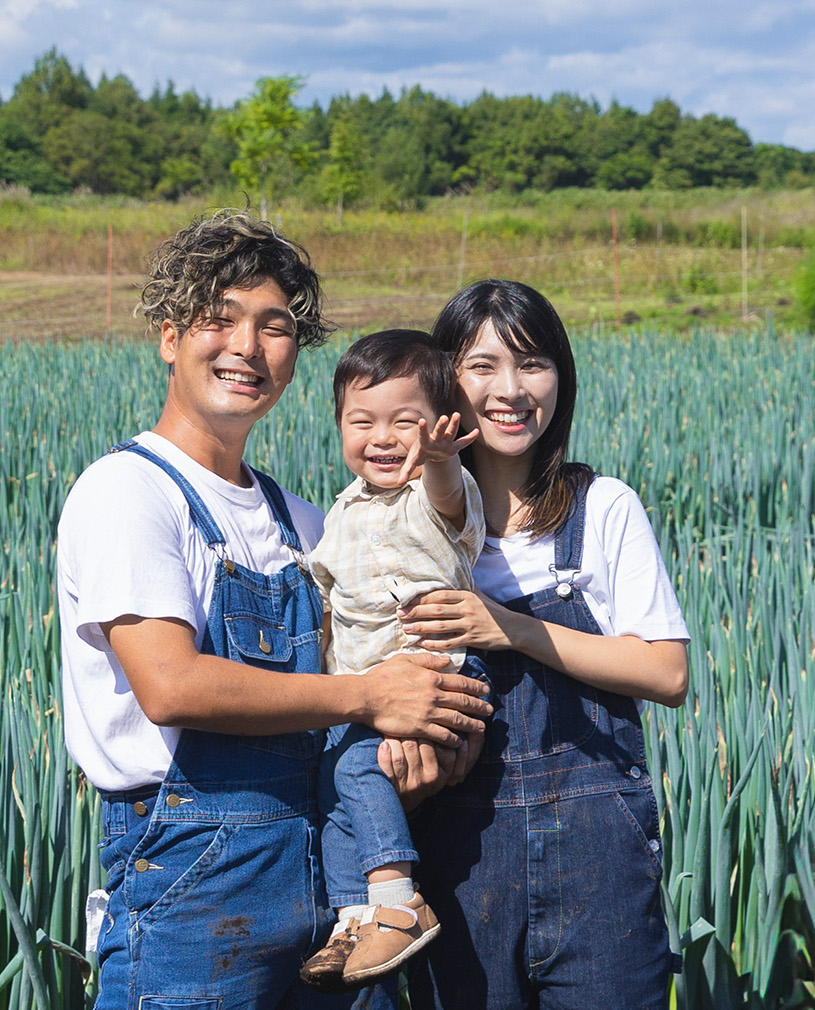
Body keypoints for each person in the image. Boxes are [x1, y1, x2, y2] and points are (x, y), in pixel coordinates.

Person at [56, 211, 492, 1009]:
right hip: (192, 882)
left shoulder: (310, 523)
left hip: (330, 887)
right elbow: (173, 687)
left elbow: (345, 703)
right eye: (219, 319)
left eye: (276, 326)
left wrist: (415, 753)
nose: (247, 348)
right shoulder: (129, 492)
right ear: (169, 337)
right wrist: (373, 696)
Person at [390, 279, 691, 1009]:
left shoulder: (602, 508)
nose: (512, 390)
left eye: (533, 363)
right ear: (444, 380)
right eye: (483, 365)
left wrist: (509, 629)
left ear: (561, 376)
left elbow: (665, 669)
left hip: (599, 864)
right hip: (459, 859)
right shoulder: (402, 524)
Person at [299, 330, 485, 991]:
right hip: (365, 688)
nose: (382, 437)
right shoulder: (340, 512)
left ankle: (398, 898)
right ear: (338, 425)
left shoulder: (437, 495)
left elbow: (447, 495)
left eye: (404, 423)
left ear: (438, 428)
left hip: (434, 673)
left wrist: (435, 459)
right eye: (362, 421)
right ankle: (356, 913)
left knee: (357, 766)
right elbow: (326, 608)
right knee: (332, 778)